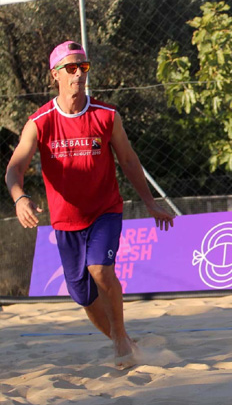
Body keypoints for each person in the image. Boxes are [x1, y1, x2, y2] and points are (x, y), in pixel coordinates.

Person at [5, 41, 175, 368]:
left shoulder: (106, 115)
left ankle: (122, 341)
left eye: (83, 67)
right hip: (66, 221)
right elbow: (14, 168)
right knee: (81, 294)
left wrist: (150, 204)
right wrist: (20, 197)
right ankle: (124, 341)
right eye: (71, 68)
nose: (78, 74)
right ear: (55, 74)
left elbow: (128, 161)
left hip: (105, 211)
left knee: (100, 269)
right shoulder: (40, 121)